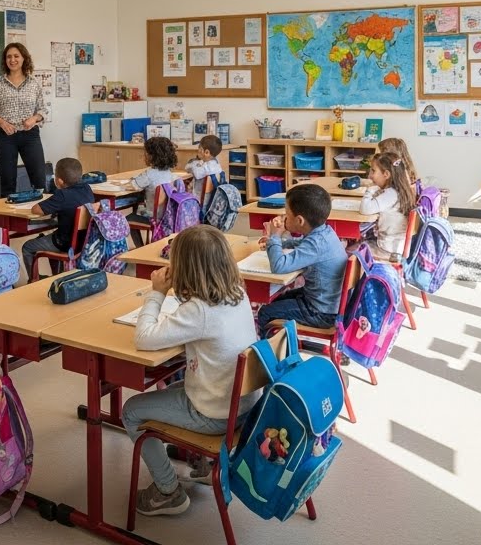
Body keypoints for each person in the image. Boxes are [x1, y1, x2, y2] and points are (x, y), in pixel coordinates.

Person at [121, 225, 260, 517]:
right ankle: (203, 464)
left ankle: (168, 491)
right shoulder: (236, 291)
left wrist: (156, 293)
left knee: (132, 410)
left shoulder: (199, 311)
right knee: (174, 387)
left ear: (184, 268)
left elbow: (143, 337)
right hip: (245, 405)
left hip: (215, 415)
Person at [255, 184, 347, 331]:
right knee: (277, 300)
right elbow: (303, 243)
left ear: (300, 221)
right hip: (326, 302)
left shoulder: (316, 244)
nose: (284, 217)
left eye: (287, 213)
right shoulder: (325, 231)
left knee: (265, 312)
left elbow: (279, 266)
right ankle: (281, 339)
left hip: (320, 312)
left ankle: (268, 350)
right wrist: (278, 243)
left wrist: (275, 236)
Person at [0, 42, 49, 198]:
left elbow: (43, 110)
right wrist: (2, 123)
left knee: (39, 180)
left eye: (16, 56)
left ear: (23, 58)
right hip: (5, 136)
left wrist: (34, 119)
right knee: (8, 182)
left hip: (30, 135)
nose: (12, 60)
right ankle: (8, 220)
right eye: (9, 57)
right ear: (5, 60)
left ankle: (41, 214)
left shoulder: (33, 83)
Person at [20, 157, 95, 277]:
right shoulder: (87, 188)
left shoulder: (62, 195)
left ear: (59, 181)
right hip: (85, 241)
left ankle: (34, 279)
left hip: (65, 243)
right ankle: (56, 274)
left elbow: (36, 209)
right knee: (49, 233)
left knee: (27, 247)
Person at [360, 152, 415, 258]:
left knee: (350, 251)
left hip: (387, 250)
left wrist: (370, 189)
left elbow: (365, 209)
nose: (370, 175)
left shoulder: (391, 194)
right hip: (395, 246)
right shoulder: (398, 191)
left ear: (386, 174)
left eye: (373, 171)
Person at [128, 137, 180, 246]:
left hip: (153, 217)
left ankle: (140, 247)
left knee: (128, 218)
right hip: (169, 216)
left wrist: (132, 180)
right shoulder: (171, 175)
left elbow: (134, 185)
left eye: (145, 153)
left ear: (151, 156)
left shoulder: (149, 174)